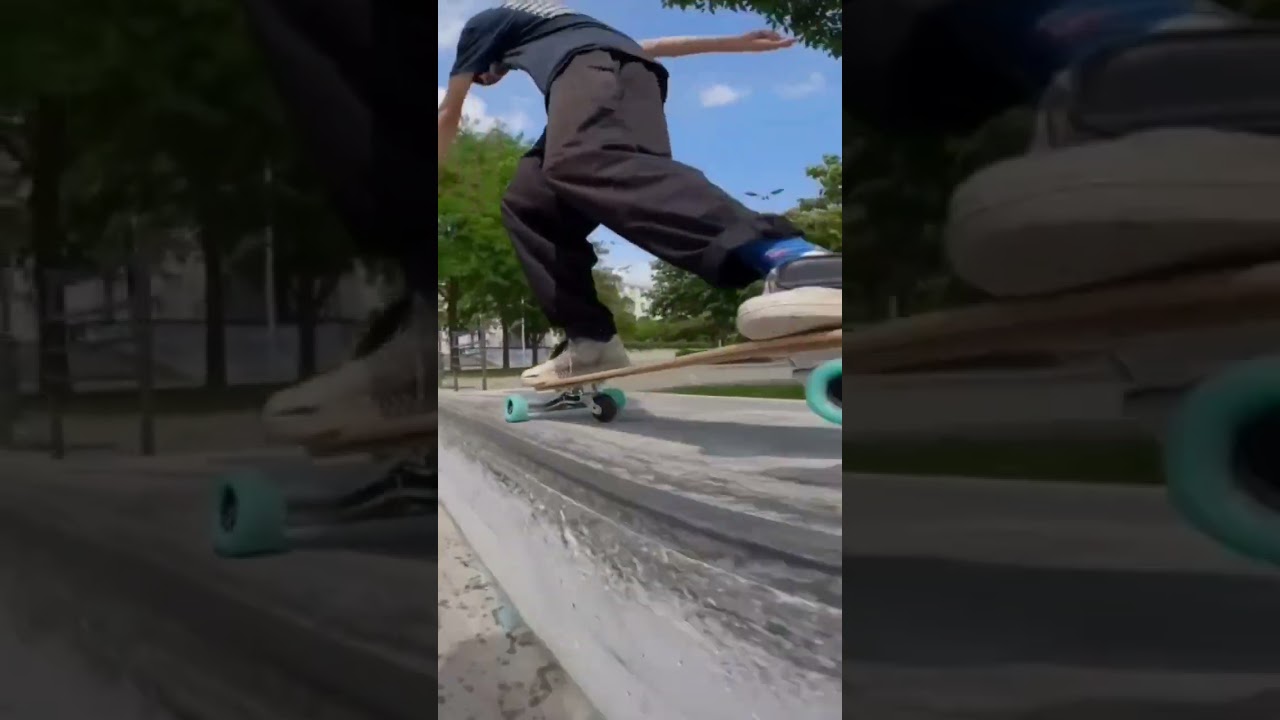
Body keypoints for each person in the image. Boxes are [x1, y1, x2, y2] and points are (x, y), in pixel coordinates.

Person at [438, 3, 844, 387]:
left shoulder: (484, 26)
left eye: (485, 75)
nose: (491, 80)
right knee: (530, 204)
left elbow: (448, 113)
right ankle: (592, 341)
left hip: (590, 74)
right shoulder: (568, 27)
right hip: (630, 77)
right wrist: (731, 42)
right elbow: (651, 46)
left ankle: (792, 259)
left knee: (580, 158)